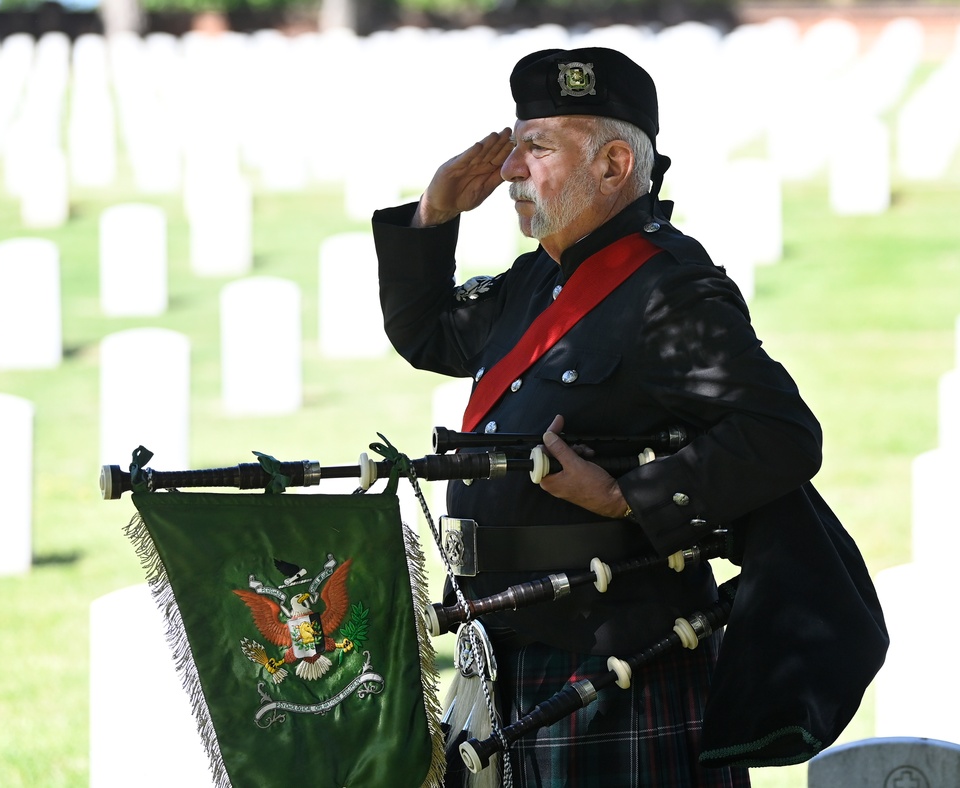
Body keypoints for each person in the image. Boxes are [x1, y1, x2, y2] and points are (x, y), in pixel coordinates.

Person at [371, 47, 876, 787]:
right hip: (511, 647)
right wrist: (434, 213)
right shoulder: (540, 276)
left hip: (614, 669)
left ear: (612, 166)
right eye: (514, 145)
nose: (511, 168)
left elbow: (782, 434)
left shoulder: (669, 289)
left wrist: (623, 496)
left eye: (536, 147)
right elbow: (429, 334)